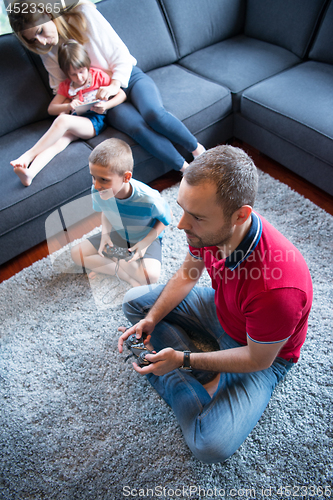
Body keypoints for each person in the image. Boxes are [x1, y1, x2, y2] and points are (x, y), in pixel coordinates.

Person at [118, 145, 313, 463]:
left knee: (209, 445)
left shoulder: (277, 289)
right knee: (135, 304)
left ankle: (176, 369)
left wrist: (183, 360)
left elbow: (257, 359)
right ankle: (178, 363)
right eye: (182, 209)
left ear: (241, 216)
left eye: (195, 217)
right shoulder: (210, 231)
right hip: (222, 308)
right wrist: (152, 319)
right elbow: (187, 275)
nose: (181, 225)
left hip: (262, 353)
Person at [8, 0, 205, 175]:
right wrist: (81, 102)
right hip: (104, 100)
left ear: (49, 14)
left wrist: (113, 84)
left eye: (40, 32)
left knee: (153, 113)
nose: (41, 42)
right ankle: (186, 170)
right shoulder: (47, 50)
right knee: (137, 128)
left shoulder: (83, 14)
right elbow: (62, 86)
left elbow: (121, 56)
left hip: (127, 78)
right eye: (33, 40)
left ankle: (199, 152)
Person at [10, 40, 126, 186]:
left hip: (94, 121)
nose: (79, 78)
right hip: (76, 121)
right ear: (66, 73)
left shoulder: (98, 76)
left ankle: (28, 156)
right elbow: (51, 109)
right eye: (74, 74)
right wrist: (69, 104)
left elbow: (121, 94)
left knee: (63, 120)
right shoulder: (66, 86)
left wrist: (106, 105)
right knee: (57, 143)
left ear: (87, 65)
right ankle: (30, 174)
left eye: (82, 71)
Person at [71, 138, 172, 287]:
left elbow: (165, 220)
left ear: (126, 177)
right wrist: (105, 234)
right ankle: (126, 275)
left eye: (104, 179)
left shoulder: (149, 199)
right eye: (93, 177)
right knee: (76, 254)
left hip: (144, 237)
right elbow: (105, 212)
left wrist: (145, 243)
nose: (96, 185)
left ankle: (112, 260)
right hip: (118, 234)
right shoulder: (98, 190)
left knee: (151, 277)